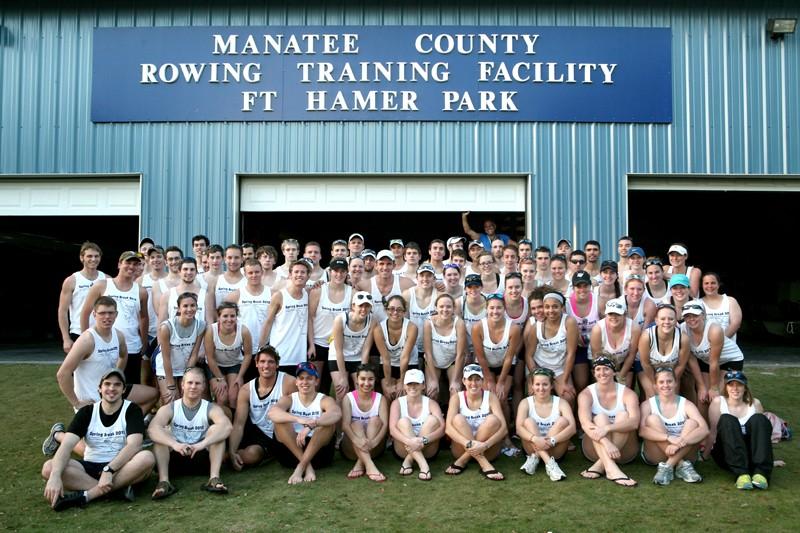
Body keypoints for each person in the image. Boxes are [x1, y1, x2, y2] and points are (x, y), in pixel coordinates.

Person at [41, 369, 155, 511]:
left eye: (117, 385)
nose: (112, 388)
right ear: (99, 389)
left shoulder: (132, 410)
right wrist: (55, 476)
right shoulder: (87, 412)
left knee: (147, 457)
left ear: (124, 389)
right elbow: (66, 446)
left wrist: (109, 470)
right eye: (107, 384)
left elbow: (134, 445)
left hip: (121, 467)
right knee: (49, 468)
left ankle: (87, 495)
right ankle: (115, 492)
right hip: (90, 465)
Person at [148, 367, 233, 499]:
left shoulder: (210, 408)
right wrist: (174, 444)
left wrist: (202, 444)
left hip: (201, 458)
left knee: (216, 430)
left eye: (197, 383)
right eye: (189, 383)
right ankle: (164, 482)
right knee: (162, 433)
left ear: (204, 386)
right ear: (182, 385)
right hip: (175, 458)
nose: (193, 387)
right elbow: (152, 429)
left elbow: (227, 427)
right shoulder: (170, 408)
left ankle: (214, 478)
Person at [81, 251, 148, 385]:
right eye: (128, 262)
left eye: (135, 264)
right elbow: (85, 313)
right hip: (104, 345)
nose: (131, 266)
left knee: (129, 386)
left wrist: (144, 341)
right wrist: (85, 339)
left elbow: (144, 317)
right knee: (101, 384)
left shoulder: (141, 291)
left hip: (131, 346)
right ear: (119, 264)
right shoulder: (102, 285)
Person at [269, 362, 342, 484]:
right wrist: (298, 419)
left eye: (309, 378)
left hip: (319, 454)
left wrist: (312, 424)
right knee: (280, 422)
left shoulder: (324, 399)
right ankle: (306, 466)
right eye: (301, 378)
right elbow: (272, 413)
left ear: (316, 381)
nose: (305, 382)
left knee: (327, 424)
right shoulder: (289, 398)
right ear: (296, 382)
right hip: (292, 451)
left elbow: (336, 413)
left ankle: (301, 467)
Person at [229, 346, 297, 471]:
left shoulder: (289, 382)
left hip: (280, 432)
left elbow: (299, 410)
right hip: (257, 432)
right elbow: (238, 424)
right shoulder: (246, 389)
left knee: (251, 455)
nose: (266, 366)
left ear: (277, 364)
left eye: (271, 362)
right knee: (245, 454)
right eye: (262, 362)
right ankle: (228, 456)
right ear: (256, 364)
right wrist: (232, 451)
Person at [705, 370, 773, 490]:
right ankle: (742, 474)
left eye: (739, 385)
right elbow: (713, 432)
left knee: (759, 419)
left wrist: (771, 458)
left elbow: (761, 436)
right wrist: (704, 456)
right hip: (727, 453)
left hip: (750, 454)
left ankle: (761, 473)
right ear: (726, 387)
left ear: (745, 387)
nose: (735, 388)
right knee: (727, 419)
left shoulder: (755, 404)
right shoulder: (718, 402)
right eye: (731, 384)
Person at [639, 367, 708, 485]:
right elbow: (642, 431)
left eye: (669, 381)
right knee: (652, 419)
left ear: (676, 383)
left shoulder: (686, 404)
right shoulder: (647, 404)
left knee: (693, 423)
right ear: (655, 386)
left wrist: (681, 441)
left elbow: (704, 429)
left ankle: (667, 467)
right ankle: (681, 465)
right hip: (656, 454)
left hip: (683, 450)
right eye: (661, 382)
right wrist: (668, 437)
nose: (666, 385)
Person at [577, 357, 640, 487]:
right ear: (594, 373)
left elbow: (634, 422)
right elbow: (585, 423)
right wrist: (606, 442)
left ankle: (600, 465)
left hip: (624, 451)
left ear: (614, 372)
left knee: (623, 416)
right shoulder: (586, 394)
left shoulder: (628, 394)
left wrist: (607, 429)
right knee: (600, 417)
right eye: (598, 369)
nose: (602, 373)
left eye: (606, 368)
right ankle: (612, 470)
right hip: (594, 449)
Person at [472, 294, 522, 449]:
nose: (495, 311)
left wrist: (500, 382)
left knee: (501, 397)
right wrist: (490, 380)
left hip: (504, 366)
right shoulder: (478, 327)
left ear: (504, 309)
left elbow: (509, 359)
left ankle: (506, 437)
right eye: (492, 308)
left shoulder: (513, 328)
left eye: (499, 307)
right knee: (489, 398)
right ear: (486, 309)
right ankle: (488, 435)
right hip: (485, 366)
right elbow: (480, 357)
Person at [444, 364, 508, 480]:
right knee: (458, 419)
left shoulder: (491, 397)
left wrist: (485, 445)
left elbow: (504, 429)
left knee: (493, 420)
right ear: (463, 380)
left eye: (477, 379)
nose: (473, 384)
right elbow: (448, 428)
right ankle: (483, 463)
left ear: (482, 381)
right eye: (470, 379)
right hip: (461, 448)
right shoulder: (456, 398)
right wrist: (469, 444)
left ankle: (463, 460)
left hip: (487, 450)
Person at [516, 368, 576, 480]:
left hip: (555, 449)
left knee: (563, 421)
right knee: (528, 422)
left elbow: (572, 428)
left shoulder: (561, 402)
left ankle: (536, 458)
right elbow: (519, 429)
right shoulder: (525, 403)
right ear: (532, 386)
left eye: (545, 384)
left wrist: (552, 440)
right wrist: (535, 439)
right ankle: (550, 464)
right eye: (537, 384)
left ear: (552, 386)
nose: (541, 388)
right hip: (531, 448)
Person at [681, 300, 744, 403]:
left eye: (695, 315)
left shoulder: (714, 330)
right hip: (706, 360)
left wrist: (714, 387)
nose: (691, 319)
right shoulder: (682, 329)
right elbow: (691, 359)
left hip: (730, 359)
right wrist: (701, 386)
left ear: (703, 315)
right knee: (703, 397)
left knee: (719, 397)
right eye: (687, 316)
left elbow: (714, 361)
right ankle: (702, 419)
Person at [389, 369, 446, 481]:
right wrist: (409, 442)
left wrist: (422, 441)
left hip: (428, 448)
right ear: (404, 386)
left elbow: (442, 428)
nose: (413, 387)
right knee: (403, 422)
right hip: (403, 448)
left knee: (433, 420)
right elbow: (392, 430)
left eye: (416, 384)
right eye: (409, 384)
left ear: (423, 385)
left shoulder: (431, 403)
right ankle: (423, 465)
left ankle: (409, 460)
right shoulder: (397, 403)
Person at [637, 304, 702, 401]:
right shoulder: (646, 337)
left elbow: (680, 365)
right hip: (648, 369)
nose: (666, 322)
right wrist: (655, 383)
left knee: (672, 394)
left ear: (676, 320)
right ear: (656, 320)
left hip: (672, 369)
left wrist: (670, 381)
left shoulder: (683, 338)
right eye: (663, 319)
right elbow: (645, 364)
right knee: (652, 394)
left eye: (671, 319)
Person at [524, 291, 578, 405]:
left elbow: (571, 353)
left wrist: (564, 381)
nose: (551, 310)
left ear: (562, 308)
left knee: (568, 396)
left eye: (555, 307)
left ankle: (570, 421)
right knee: (535, 396)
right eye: (547, 307)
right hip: (539, 367)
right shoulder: (536, 327)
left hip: (559, 368)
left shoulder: (569, 322)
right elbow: (528, 355)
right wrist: (534, 376)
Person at [153, 292, 206, 406]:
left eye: (193, 305)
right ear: (178, 308)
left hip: (185, 367)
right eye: (185, 306)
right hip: (166, 368)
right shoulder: (166, 327)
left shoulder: (201, 325)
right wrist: (171, 385)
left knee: (187, 400)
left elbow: (194, 354)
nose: (189, 309)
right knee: (172, 402)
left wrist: (186, 377)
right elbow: (165, 358)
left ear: (197, 307)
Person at [307, 258, 352, 389]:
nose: (339, 274)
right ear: (330, 272)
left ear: (346, 273)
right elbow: (310, 318)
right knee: (315, 384)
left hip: (340, 345)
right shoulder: (318, 291)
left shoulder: (352, 292)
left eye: (343, 271)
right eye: (336, 271)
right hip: (319, 343)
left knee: (340, 386)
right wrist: (311, 345)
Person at [260, 260, 311, 374]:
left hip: (299, 356)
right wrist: (262, 349)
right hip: (280, 354)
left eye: (303, 272)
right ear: (289, 275)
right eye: (296, 272)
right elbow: (267, 322)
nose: (299, 275)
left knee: (294, 390)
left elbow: (310, 320)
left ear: (308, 276)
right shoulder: (279, 296)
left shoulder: (307, 294)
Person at [341, 365, 389, 482]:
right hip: (351, 447)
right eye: (363, 379)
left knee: (376, 420)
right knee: (355, 424)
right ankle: (370, 466)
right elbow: (345, 425)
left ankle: (360, 463)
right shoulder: (348, 398)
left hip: (374, 447)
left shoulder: (380, 399)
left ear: (375, 380)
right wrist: (357, 440)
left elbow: (385, 425)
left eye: (370, 379)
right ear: (357, 380)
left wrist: (374, 442)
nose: (366, 383)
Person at [58, 241, 106, 354]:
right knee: (77, 371)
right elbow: (62, 311)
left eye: (96, 256)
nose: (93, 259)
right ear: (82, 258)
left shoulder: (106, 279)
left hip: (102, 332)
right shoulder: (72, 280)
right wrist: (66, 338)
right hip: (78, 333)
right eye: (89, 256)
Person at [328, 291, 376, 402]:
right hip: (338, 357)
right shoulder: (340, 320)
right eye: (361, 306)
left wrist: (363, 373)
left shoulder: (372, 321)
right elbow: (338, 350)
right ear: (353, 306)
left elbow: (366, 350)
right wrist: (343, 377)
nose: (364, 309)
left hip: (358, 358)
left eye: (367, 306)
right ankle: (341, 419)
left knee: (362, 390)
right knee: (341, 391)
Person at [204, 302, 253, 409]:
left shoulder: (243, 331)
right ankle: (220, 423)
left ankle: (234, 423)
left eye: (232, 316)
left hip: (234, 364)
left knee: (233, 397)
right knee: (222, 398)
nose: (229, 319)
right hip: (215, 365)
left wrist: (240, 376)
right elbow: (210, 357)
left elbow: (248, 355)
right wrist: (220, 379)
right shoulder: (211, 331)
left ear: (236, 317)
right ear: (219, 317)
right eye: (225, 316)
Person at [374, 295, 419, 400]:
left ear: (404, 312)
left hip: (409, 363)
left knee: (403, 393)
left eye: (399, 310)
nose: (395, 312)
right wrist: (388, 382)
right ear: (386, 310)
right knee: (389, 393)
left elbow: (405, 357)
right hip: (387, 364)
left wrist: (403, 381)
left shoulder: (412, 328)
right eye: (391, 309)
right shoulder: (378, 330)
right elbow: (385, 358)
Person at [423, 294, 467, 400]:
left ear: (453, 308)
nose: (445, 309)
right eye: (441, 306)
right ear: (436, 307)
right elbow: (427, 353)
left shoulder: (459, 323)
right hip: (433, 362)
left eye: (448, 306)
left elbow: (460, 354)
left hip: (452, 362)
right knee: (431, 392)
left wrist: (456, 380)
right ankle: (436, 416)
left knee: (455, 392)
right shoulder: (428, 323)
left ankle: (451, 416)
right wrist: (433, 380)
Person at [590, 298, 640, 387]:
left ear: (625, 314)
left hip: (624, 362)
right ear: (606, 314)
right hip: (602, 363)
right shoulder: (597, 329)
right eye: (610, 314)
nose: (613, 317)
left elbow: (632, 354)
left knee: (624, 388)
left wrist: (620, 377)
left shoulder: (634, 328)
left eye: (617, 314)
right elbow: (596, 357)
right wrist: (608, 376)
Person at [226, 259, 270, 355]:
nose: (254, 275)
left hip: (266, 346)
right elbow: (224, 319)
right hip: (241, 347)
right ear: (245, 274)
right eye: (250, 273)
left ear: (262, 272)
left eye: (257, 272)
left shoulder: (272, 293)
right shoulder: (235, 295)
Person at [358, 250, 415, 322]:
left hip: (398, 330)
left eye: (388, 264)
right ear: (376, 265)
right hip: (373, 330)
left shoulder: (406, 284)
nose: (385, 267)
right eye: (381, 264)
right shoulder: (364, 285)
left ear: (394, 265)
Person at [565, 271, 596, 396]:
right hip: (577, 347)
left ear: (590, 286)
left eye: (585, 286)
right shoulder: (566, 304)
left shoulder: (598, 299)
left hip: (596, 345)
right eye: (579, 286)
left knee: (597, 381)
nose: (582, 289)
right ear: (573, 288)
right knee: (582, 384)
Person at [158, 258, 207, 323]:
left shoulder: (206, 296)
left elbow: (209, 324)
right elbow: (161, 324)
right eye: (185, 269)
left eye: (192, 269)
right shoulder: (167, 295)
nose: (189, 272)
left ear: (196, 272)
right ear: (179, 272)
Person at [404, 263, 438, 352]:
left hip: (433, 346)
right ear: (417, 278)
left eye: (429, 276)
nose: (425, 279)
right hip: (411, 344)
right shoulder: (407, 295)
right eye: (422, 275)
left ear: (434, 279)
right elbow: (403, 322)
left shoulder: (439, 296)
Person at [701, 272, 742, 342]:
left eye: (713, 283)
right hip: (707, 348)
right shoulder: (698, 303)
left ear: (718, 285)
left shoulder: (730, 300)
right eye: (706, 283)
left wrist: (718, 342)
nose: (710, 286)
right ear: (702, 285)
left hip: (729, 347)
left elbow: (735, 324)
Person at [206, 244, 246, 314]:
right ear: (224, 259)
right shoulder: (216, 281)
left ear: (242, 259)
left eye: (236, 258)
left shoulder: (247, 282)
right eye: (229, 257)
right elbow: (211, 309)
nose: (233, 261)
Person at [457, 274, 487, 358]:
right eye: (470, 287)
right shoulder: (459, 303)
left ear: (481, 287)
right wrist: (466, 351)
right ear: (465, 289)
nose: (473, 290)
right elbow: (458, 330)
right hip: (464, 345)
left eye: (476, 286)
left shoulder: (489, 302)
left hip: (484, 346)